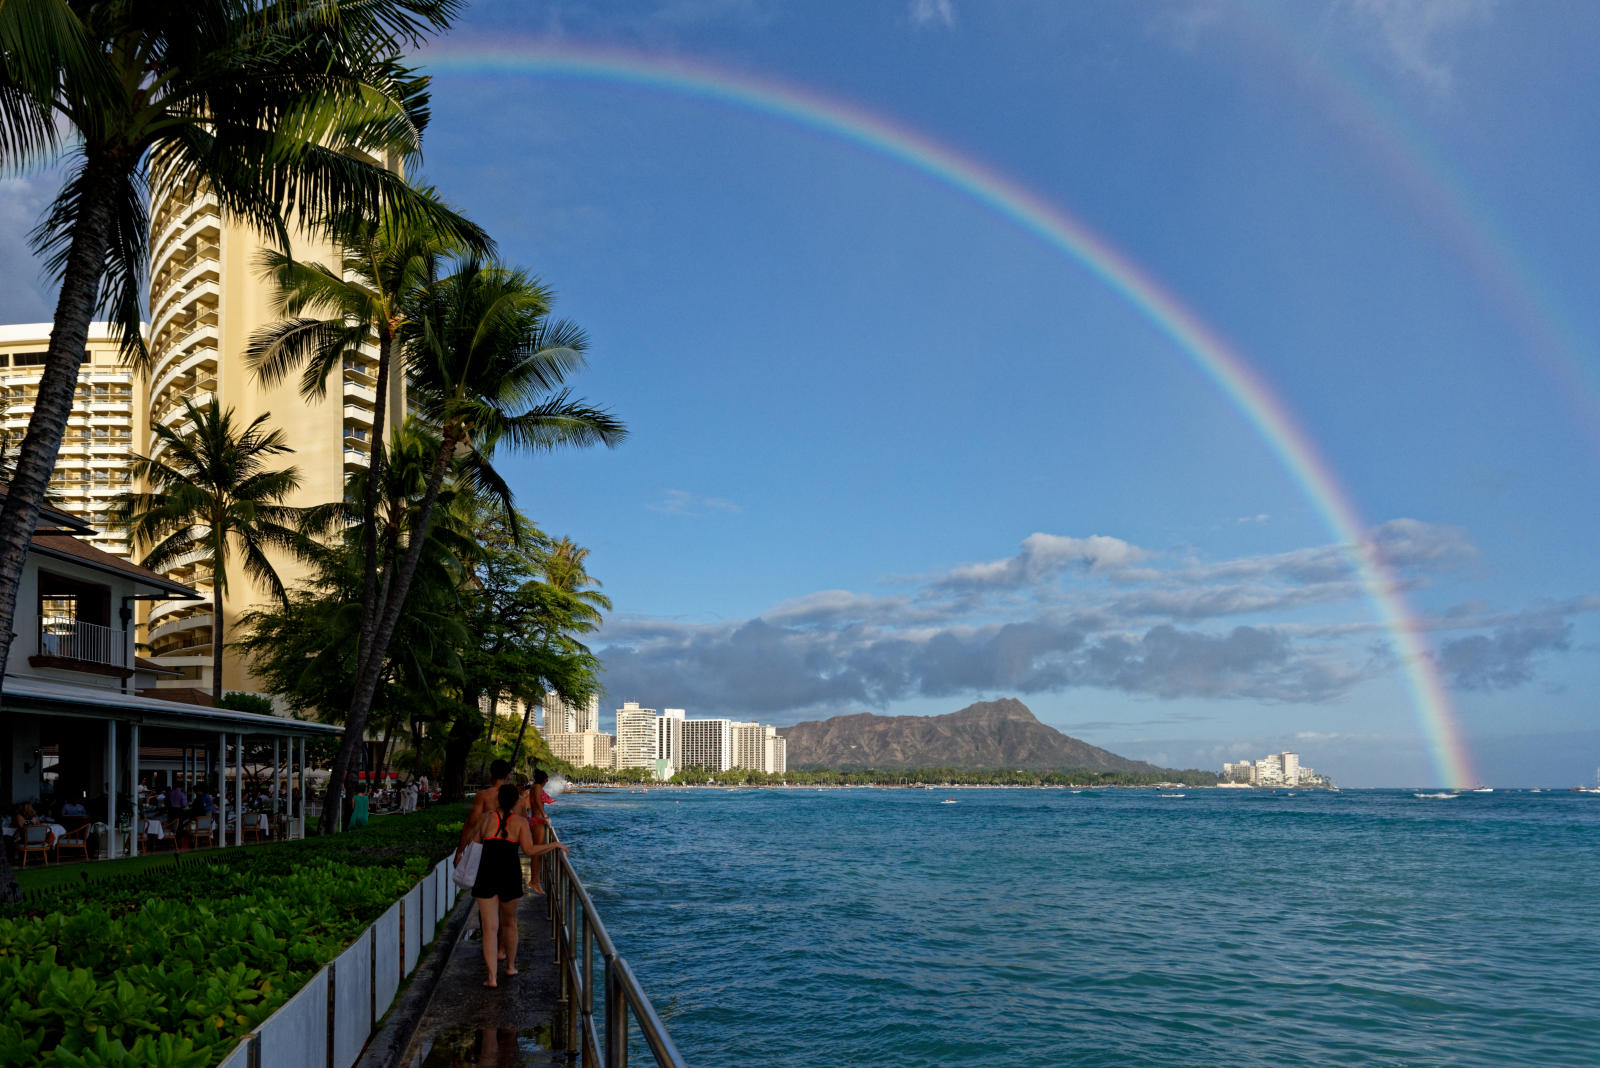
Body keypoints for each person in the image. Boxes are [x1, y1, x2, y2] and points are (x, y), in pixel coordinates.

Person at [458, 783, 567, 988]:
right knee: (510, 923)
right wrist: (554, 844)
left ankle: (491, 977)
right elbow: (529, 850)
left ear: (498, 799)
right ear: (516, 801)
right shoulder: (519, 823)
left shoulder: (486, 819)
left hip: (486, 876)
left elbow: (475, 843)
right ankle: (510, 966)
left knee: (490, 929)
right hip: (510, 876)